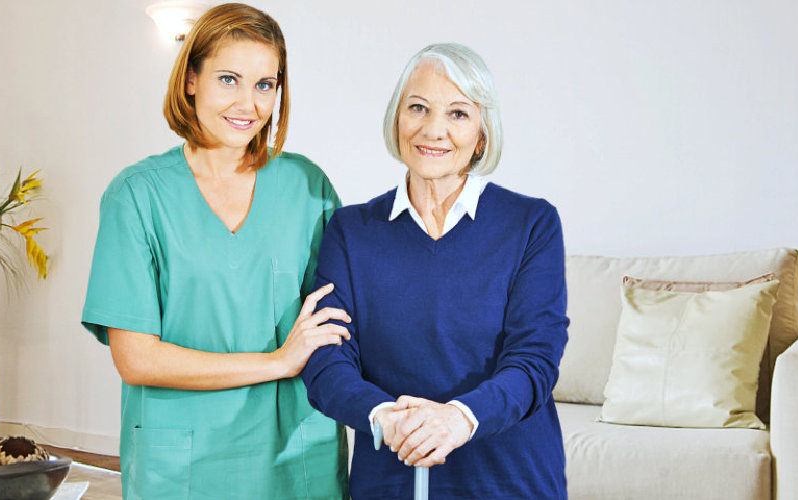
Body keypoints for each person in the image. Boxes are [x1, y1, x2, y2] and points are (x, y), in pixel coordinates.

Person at [80, 4, 347, 499]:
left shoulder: (307, 187)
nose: (248, 103)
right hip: (182, 464)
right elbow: (136, 359)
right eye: (229, 79)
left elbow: (345, 319)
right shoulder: (137, 196)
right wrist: (277, 362)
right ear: (190, 80)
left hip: (294, 452)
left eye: (265, 84)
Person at [301, 43, 569, 499]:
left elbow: (535, 360)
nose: (434, 129)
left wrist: (458, 419)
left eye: (459, 114)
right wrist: (386, 417)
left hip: (510, 479)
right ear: (397, 120)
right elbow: (326, 360)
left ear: (483, 134)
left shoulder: (532, 224)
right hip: (391, 478)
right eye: (418, 108)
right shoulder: (350, 232)